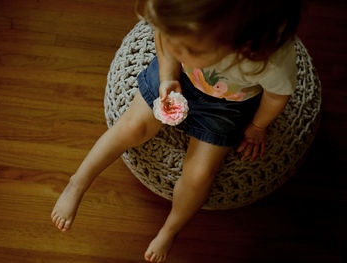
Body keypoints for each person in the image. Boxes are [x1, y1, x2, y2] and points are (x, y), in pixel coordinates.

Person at [51, 0, 302, 262]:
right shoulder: (182, 32)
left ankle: (170, 229)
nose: (173, 45)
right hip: (178, 74)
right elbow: (165, 39)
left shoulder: (268, 60)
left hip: (228, 104)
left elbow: (276, 96)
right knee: (133, 126)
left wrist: (258, 127)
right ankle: (77, 182)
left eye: (188, 47)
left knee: (200, 174)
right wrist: (168, 75)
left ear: (238, 47)